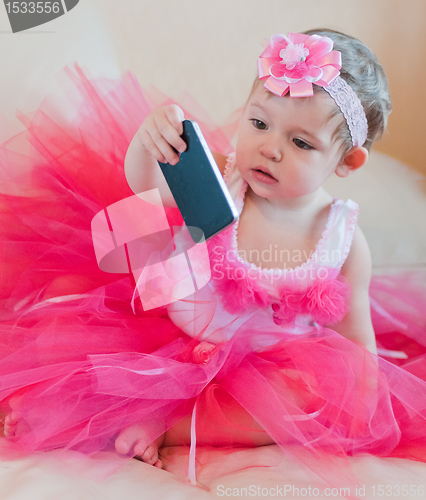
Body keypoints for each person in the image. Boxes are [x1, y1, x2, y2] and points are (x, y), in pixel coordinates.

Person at [0, 29, 425, 487]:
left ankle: (169, 426)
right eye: (260, 123)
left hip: (263, 367)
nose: (271, 148)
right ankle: (72, 406)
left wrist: (359, 403)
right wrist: (148, 146)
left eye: (301, 143)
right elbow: (145, 193)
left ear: (347, 161)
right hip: (166, 332)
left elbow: (354, 342)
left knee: (301, 400)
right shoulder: (219, 178)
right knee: (73, 321)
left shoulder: (341, 238)